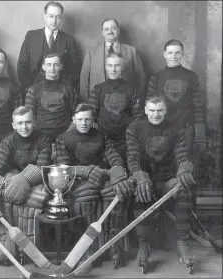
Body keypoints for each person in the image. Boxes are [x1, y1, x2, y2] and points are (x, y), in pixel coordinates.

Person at [55, 103, 134, 267]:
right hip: (78, 181)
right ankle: (87, 247)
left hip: (101, 176)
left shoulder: (101, 135)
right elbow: (63, 168)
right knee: (86, 198)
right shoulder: (63, 138)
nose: (84, 123)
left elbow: (113, 157)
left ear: (92, 120)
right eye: (80, 119)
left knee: (114, 194)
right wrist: (85, 171)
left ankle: (112, 245)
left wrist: (118, 172)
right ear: (74, 120)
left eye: (87, 119)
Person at [126, 94, 196, 274]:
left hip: (167, 180)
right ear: (145, 110)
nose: (155, 114)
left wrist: (184, 168)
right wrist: (140, 176)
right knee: (140, 191)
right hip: (146, 179)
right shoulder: (135, 128)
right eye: (152, 110)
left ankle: (182, 242)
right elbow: (132, 157)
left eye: (159, 111)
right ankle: (144, 244)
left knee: (182, 191)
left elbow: (182, 154)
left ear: (165, 110)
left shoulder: (176, 128)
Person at [0, 106, 52, 266]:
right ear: (13, 125)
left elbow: (43, 166)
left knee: (32, 203)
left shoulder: (44, 140)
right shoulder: (8, 140)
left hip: (34, 180)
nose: (24, 127)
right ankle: (4, 252)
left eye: (28, 122)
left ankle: (28, 253)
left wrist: (26, 177)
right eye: (20, 123)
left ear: (34, 122)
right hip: (12, 178)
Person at [146, 39, 207, 216]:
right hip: (163, 132)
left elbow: (198, 106)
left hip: (186, 130)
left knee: (186, 174)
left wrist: (200, 134)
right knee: (164, 174)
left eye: (177, 53)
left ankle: (189, 219)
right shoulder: (156, 78)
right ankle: (166, 220)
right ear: (164, 54)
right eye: (170, 53)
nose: (174, 56)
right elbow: (151, 108)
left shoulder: (191, 77)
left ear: (182, 54)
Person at [17, 1, 80, 100]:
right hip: (34, 91)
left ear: (61, 18)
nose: (54, 20)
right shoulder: (31, 36)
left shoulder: (69, 39)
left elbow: (75, 69)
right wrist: (28, 89)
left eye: (58, 17)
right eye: (51, 16)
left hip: (61, 93)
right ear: (45, 16)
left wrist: (67, 90)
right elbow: (22, 65)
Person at [88, 52, 141, 161]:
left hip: (125, 141)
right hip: (103, 140)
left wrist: (130, 138)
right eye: (110, 65)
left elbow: (138, 117)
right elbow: (91, 116)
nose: (113, 69)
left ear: (122, 67)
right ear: (106, 67)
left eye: (117, 65)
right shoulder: (97, 89)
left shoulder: (131, 90)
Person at [80, 18, 146, 103]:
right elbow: (84, 80)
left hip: (126, 102)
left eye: (113, 28)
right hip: (97, 103)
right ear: (102, 33)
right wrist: (86, 104)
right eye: (106, 29)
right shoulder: (91, 52)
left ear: (118, 30)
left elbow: (141, 78)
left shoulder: (131, 51)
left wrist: (137, 100)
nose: (110, 31)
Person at [25, 53, 78, 143]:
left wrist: (65, 137)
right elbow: (28, 117)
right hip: (40, 138)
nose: (52, 68)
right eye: (49, 65)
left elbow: (76, 117)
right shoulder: (33, 90)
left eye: (56, 65)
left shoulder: (70, 90)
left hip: (65, 137)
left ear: (61, 66)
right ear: (43, 67)